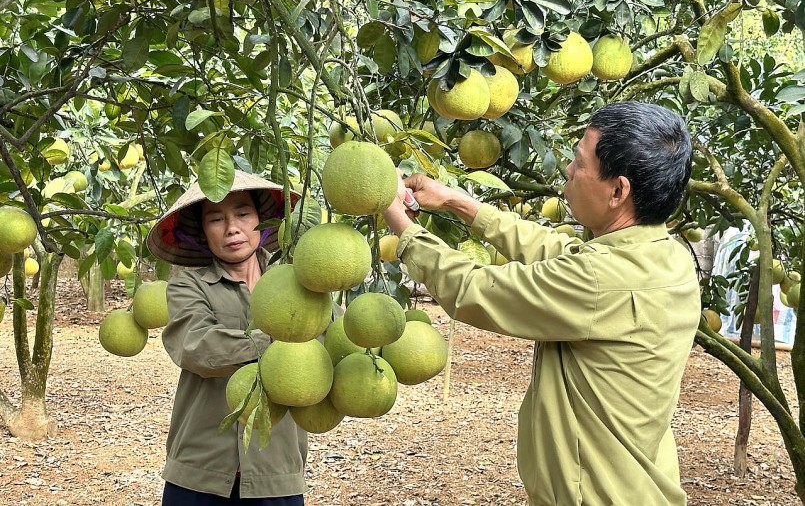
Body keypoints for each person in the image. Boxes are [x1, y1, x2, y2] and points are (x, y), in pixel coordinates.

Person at [382, 101, 700, 505]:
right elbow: (557, 250)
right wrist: (459, 203)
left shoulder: (599, 281)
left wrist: (400, 222)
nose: (568, 170)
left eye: (579, 162)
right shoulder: (667, 256)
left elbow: (474, 290)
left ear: (618, 190)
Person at [147, 170, 308, 505]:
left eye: (243, 214)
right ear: (202, 232)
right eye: (216, 219)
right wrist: (282, 340)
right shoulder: (188, 286)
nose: (231, 227)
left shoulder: (298, 281)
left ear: (261, 222)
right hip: (199, 472)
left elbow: (326, 338)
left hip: (275, 472)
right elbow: (196, 346)